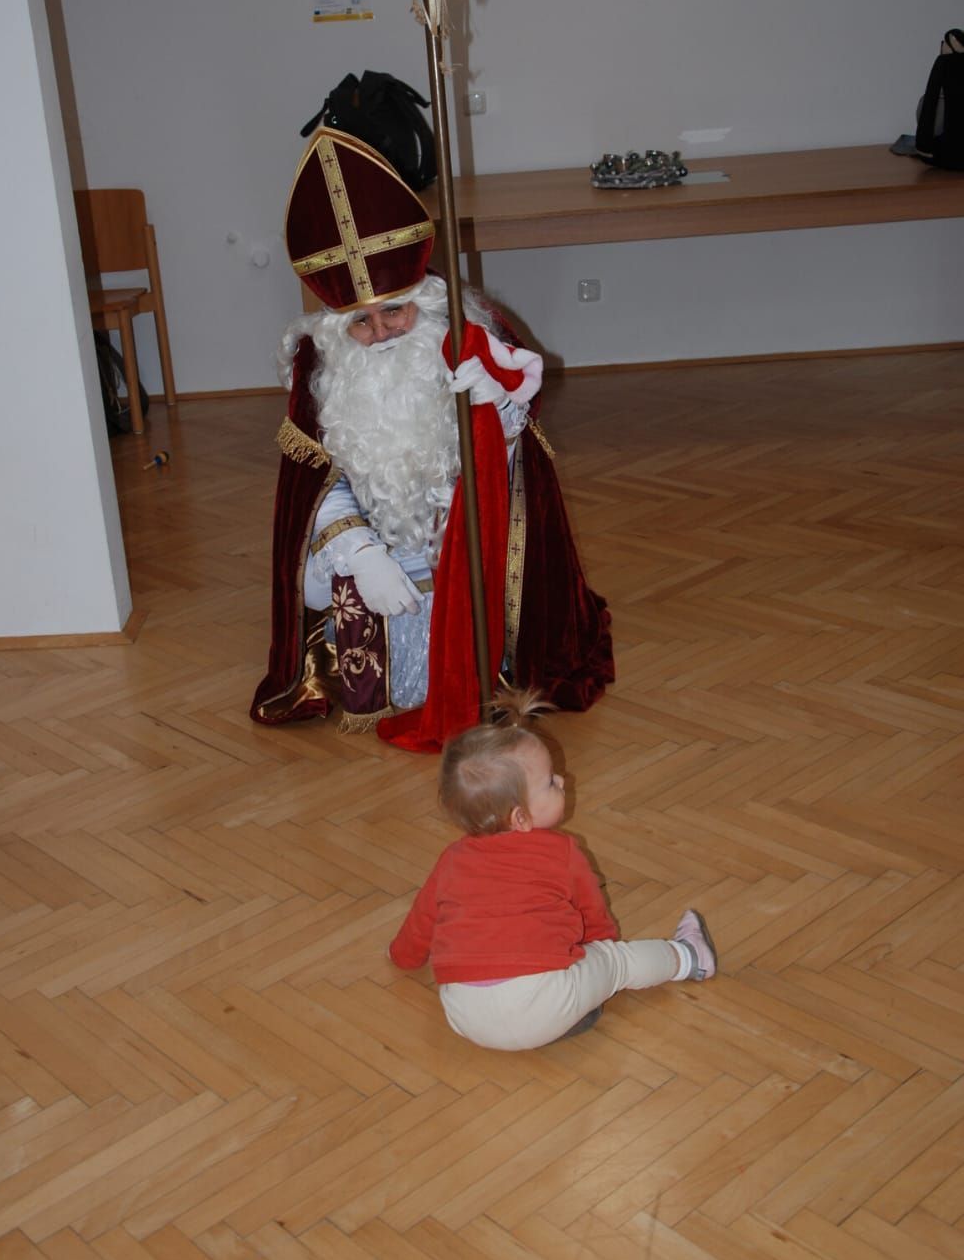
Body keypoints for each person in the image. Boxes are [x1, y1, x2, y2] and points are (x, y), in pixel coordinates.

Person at [250, 126, 614, 749]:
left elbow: (518, 468)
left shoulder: (467, 340)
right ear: (337, 328)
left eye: (395, 310)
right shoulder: (324, 368)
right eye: (360, 323)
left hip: (461, 539)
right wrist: (359, 553)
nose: (383, 331)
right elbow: (315, 485)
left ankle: (479, 661)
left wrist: (496, 408)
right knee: (323, 573)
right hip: (375, 546)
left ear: (427, 301)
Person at [389, 693, 717, 1050]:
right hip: (543, 1000)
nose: (561, 780)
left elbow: (422, 920)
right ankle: (690, 958)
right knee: (616, 962)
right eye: (549, 782)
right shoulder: (562, 852)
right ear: (520, 817)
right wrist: (599, 955)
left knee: (561, 987)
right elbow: (595, 919)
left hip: (465, 1015)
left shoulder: (451, 859)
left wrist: (402, 956)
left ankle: (566, 1013)